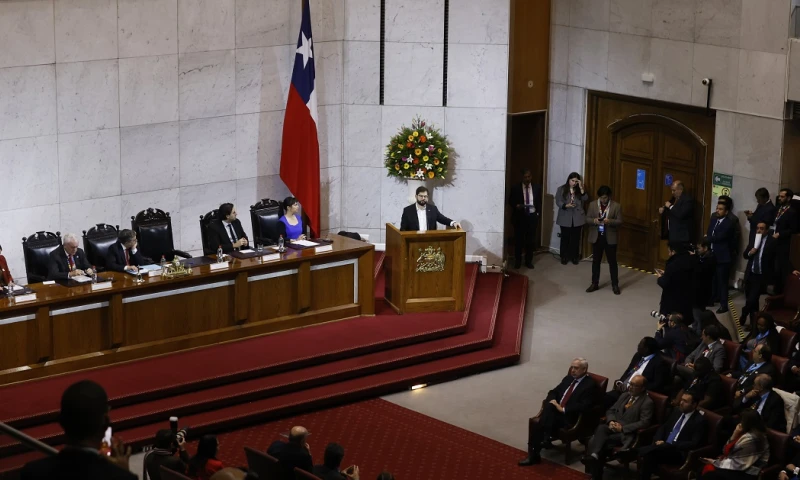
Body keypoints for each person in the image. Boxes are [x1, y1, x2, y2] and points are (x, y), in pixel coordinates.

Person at [20, 380, 136, 480]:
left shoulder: (32, 473)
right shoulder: (120, 477)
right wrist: (123, 473)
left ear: (61, 422)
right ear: (105, 423)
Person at [519, 358, 598, 466]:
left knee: (540, 424)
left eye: (576, 368)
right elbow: (554, 391)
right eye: (572, 367)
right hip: (556, 412)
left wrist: (563, 409)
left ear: (584, 370)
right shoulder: (568, 378)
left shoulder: (590, 385)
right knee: (549, 407)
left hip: (570, 418)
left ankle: (535, 452)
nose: (572, 370)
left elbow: (585, 406)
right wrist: (553, 402)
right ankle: (541, 441)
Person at [583, 375, 653, 480]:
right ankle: (595, 455)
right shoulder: (625, 395)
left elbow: (645, 422)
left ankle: (596, 471)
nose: (630, 387)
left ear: (642, 388)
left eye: (634, 386)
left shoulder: (647, 402)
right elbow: (611, 410)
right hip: (613, 427)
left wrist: (623, 428)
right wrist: (611, 421)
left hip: (626, 433)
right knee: (602, 428)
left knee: (600, 441)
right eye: (630, 384)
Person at [637, 392, 707, 480]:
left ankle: (635, 451)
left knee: (650, 454)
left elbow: (693, 443)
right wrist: (657, 440)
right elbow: (664, 427)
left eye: (685, 401)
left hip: (678, 452)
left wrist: (671, 444)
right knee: (650, 454)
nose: (681, 403)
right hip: (664, 446)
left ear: (694, 405)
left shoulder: (699, 421)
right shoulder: (677, 411)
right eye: (681, 400)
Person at [700, 410, 769, 480]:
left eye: (741, 420)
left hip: (747, 472)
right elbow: (725, 451)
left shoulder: (753, 438)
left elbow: (738, 464)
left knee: (710, 475)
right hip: (737, 467)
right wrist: (734, 434)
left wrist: (714, 462)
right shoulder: (743, 433)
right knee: (704, 470)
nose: (739, 423)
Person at [607, 337, 668, 407]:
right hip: (623, 390)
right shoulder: (638, 356)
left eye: (640, 344)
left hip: (635, 395)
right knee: (603, 398)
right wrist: (621, 382)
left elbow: (657, 384)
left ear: (646, 349)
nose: (638, 346)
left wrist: (636, 389)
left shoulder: (659, 363)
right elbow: (629, 371)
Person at [585, 185, 623, 294]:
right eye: (601, 198)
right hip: (597, 237)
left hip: (610, 237)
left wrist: (609, 221)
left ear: (609, 197)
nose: (603, 200)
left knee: (612, 262)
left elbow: (620, 221)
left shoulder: (616, 206)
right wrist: (594, 221)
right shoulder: (592, 205)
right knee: (596, 261)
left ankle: (615, 285)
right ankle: (594, 283)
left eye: (605, 198)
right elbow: (587, 219)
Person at [742, 223, 777, 329]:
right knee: (752, 301)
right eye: (757, 228)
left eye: (761, 229)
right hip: (751, 274)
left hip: (761, 276)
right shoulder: (753, 239)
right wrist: (750, 252)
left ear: (767, 230)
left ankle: (744, 313)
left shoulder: (772, 242)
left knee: (751, 300)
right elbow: (745, 255)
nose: (758, 230)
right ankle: (753, 324)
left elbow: (779, 258)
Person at [508, 169, 542, 269]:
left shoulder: (536, 187)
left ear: (531, 177)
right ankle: (518, 261)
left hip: (532, 217)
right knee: (519, 240)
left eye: (529, 177)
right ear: (522, 178)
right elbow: (510, 201)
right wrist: (516, 205)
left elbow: (539, 202)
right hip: (520, 217)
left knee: (530, 240)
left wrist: (537, 214)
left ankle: (528, 261)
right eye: (525, 177)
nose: (527, 179)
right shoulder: (515, 188)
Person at [707, 201, 736, 313]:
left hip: (723, 256)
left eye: (720, 209)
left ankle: (724, 305)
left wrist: (708, 238)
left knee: (722, 282)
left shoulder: (729, 223)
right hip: (712, 254)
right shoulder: (714, 219)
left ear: (726, 211)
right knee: (713, 279)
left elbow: (720, 237)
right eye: (717, 208)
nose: (717, 211)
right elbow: (709, 232)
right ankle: (712, 298)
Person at [657, 243, 696, 322]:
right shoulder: (690, 260)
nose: (668, 254)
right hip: (686, 299)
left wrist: (660, 278)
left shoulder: (672, 265)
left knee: (669, 323)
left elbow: (665, 283)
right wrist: (667, 273)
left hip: (672, 301)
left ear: (673, 252)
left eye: (669, 251)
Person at [555, 172, 588, 265]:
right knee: (565, 237)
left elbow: (585, 198)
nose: (574, 183)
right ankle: (564, 256)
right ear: (568, 180)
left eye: (576, 181)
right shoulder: (561, 189)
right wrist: (566, 205)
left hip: (577, 217)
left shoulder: (580, 189)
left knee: (575, 238)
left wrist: (581, 188)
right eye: (572, 181)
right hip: (565, 215)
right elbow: (558, 201)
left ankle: (574, 256)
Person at [773, 188, 798, 293]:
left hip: (783, 243)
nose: (779, 198)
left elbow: (794, 229)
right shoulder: (778, 208)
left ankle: (780, 293)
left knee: (781, 269)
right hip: (773, 240)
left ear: (788, 198)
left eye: (782, 197)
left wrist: (781, 234)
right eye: (779, 196)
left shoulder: (792, 212)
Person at [659, 180, 694, 248]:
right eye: (672, 190)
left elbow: (680, 214)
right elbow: (671, 210)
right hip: (672, 234)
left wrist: (670, 206)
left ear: (680, 189)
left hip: (681, 237)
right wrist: (663, 209)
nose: (672, 193)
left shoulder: (687, 200)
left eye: (674, 190)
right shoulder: (674, 199)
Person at [693, 239, 717, 332]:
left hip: (702, 291)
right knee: (696, 315)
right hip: (700, 289)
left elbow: (701, 271)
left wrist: (694, 259)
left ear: (705, 248)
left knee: (698, 316)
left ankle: (699, 334)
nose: (697, 250)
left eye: (699, 248)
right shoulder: (704, 257)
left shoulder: (710, 259)